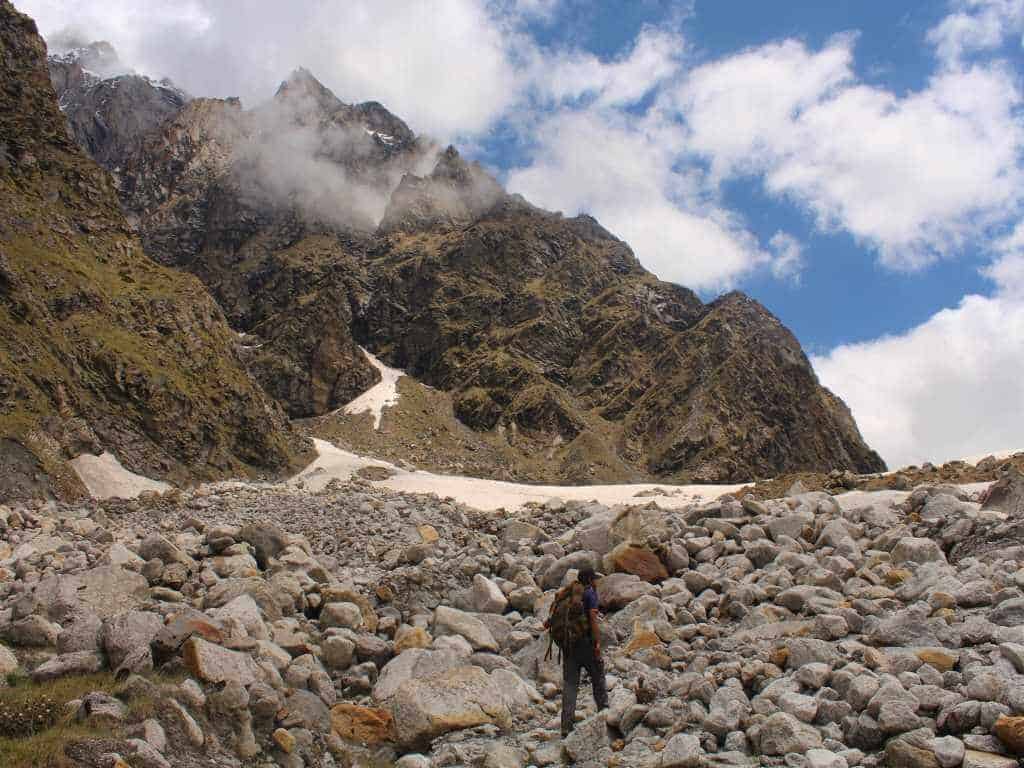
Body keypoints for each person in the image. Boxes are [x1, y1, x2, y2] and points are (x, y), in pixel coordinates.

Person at [544, 567, 609, 737]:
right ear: (589, 580)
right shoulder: (589, 594)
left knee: (570, 686)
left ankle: (566, 727)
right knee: (598, 678)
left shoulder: (568, 594)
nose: (596, 582)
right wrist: (597, 643)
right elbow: (593, 619)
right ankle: (605, 715)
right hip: (586, 644)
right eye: (594, 579)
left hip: (569, 647)